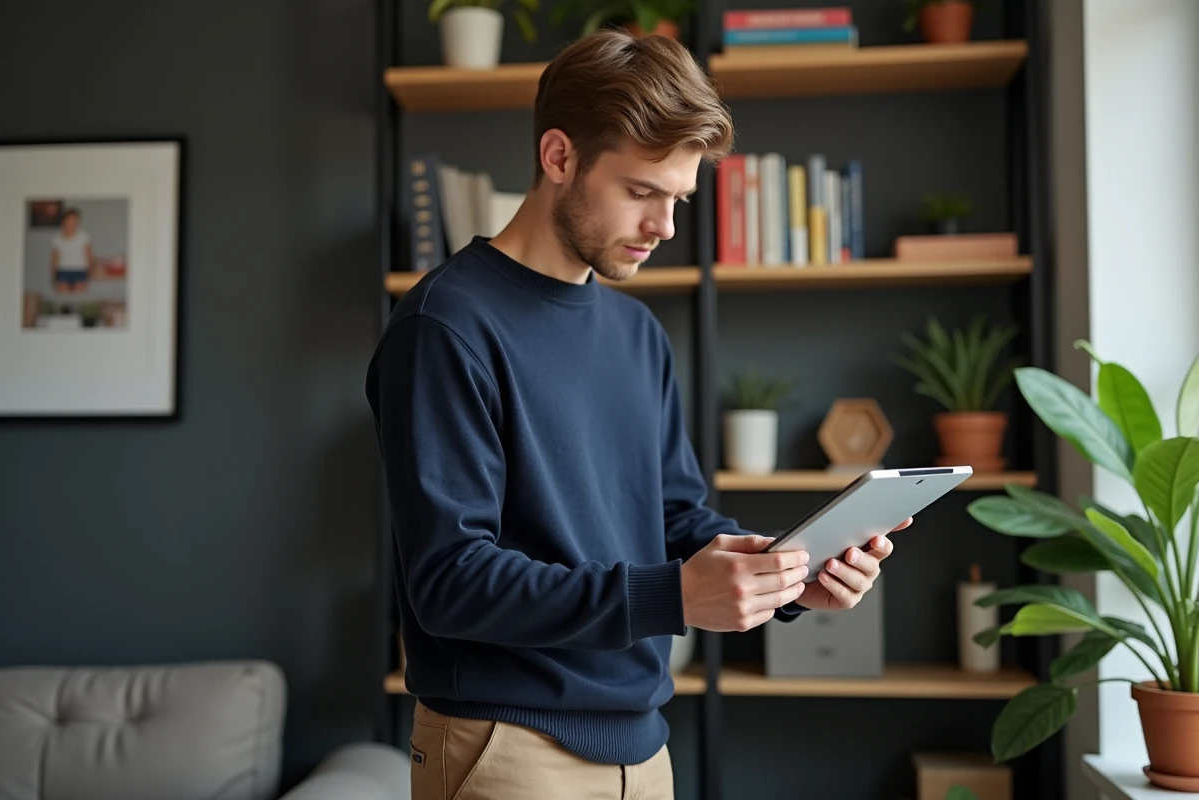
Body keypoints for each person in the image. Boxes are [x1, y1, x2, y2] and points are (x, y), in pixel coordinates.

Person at [365, 29, 912, 800]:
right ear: (558, 158)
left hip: (645, 749)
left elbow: (672, 515)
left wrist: (782, 571)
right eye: (641, 191)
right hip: (507, 751)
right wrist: (674, 596)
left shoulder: (636, 333)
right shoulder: (444, 327)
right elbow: (451, 581)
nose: (665, 227)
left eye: (678, 198)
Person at [50, 207, 95, 294]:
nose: (72, 223)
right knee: (63, 300)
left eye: (75, 220)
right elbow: (54, 259)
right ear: (64, 221)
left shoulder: (84, 236)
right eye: (70, 220)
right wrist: (53, 276)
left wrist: (90, 271)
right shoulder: (57, 238)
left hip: (80, 270)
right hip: (62, 271)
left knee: (79, 299)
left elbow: (89, 255)